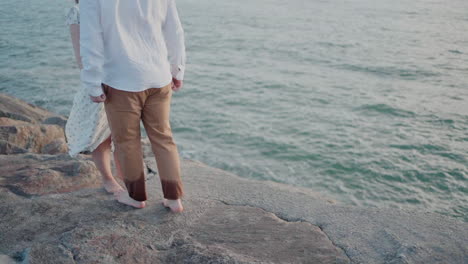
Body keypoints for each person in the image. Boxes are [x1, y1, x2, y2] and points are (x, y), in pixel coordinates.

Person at [79, 0, 186, 212]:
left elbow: (91, 40)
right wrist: (178, 68)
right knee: (163, 138)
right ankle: (174, 199)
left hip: (121, 80)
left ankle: (136, 197)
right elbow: (174, 30)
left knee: (127, 142)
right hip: (158, 76)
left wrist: (92, 83)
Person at [65, 0, 125, 195]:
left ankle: (126, 176)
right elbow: (80, 57)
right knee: (102, 136)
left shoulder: (113, 6)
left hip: (122, 78)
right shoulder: (77, 11)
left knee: (123, 132)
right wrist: (97, 83)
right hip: (98, 81)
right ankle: (108, 179)